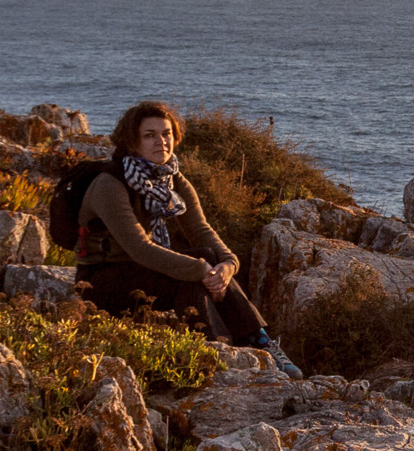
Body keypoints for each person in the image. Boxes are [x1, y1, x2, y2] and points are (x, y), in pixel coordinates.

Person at [75, 100, 299, 373]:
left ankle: (259, 341)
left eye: (166, 133)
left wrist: (228, 264)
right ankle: (218, 351)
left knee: (209, 256)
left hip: (143, 272)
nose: (161, 142)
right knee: (192, 274)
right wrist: (199, 269)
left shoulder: (172, 179)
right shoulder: (110, 185)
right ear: (132, 143)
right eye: (149, 135)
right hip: (100, 282)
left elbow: (201, 231)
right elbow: (139, 248)